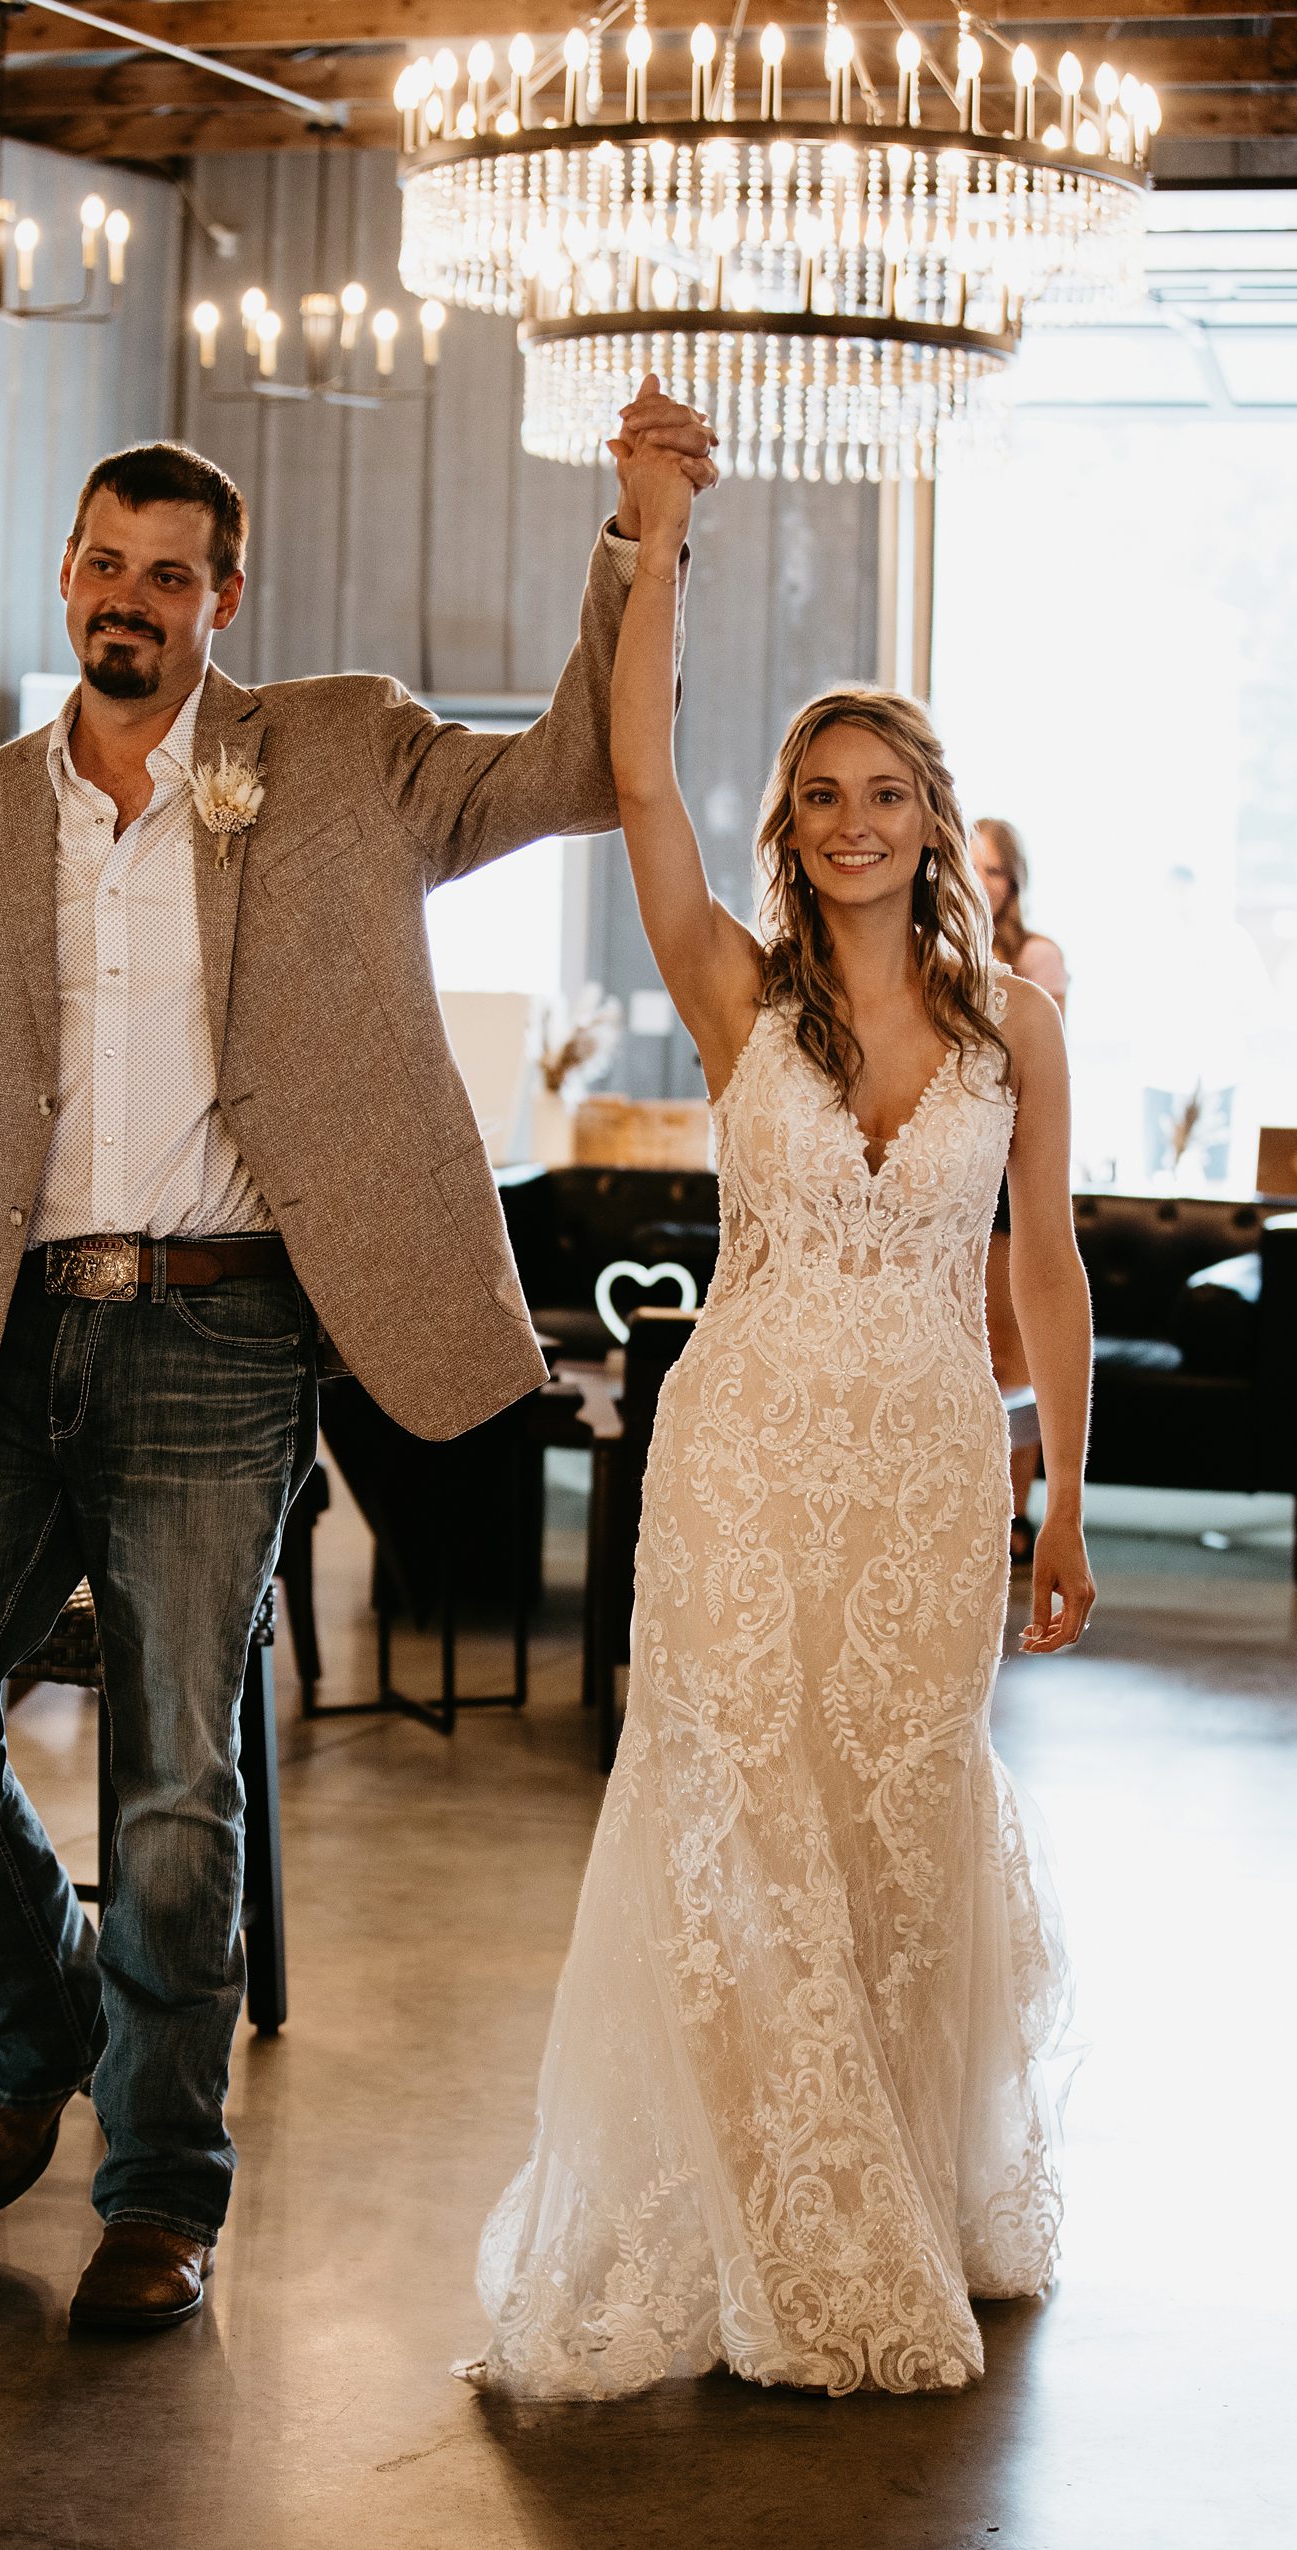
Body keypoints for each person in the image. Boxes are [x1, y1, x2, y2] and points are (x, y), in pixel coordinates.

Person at [0, 400, 719, 2336]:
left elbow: (568, 767)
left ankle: (156, 2188)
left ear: (228, 598)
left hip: (224, 1334)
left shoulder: (337, 753)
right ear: (66, 576)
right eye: (102, 564)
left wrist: (639, 537)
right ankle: (37, 2025)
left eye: (169, 574)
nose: (129, 600)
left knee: (171, 1780)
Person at [463, 440, 1095, 2401]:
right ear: (793, 824)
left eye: (881, 793)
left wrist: (1062, 1499)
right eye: (818, 795)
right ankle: (777, 2216)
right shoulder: (735, 996)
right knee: (733, 1818)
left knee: (891, 1823)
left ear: (935, 824)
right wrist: (655, 535)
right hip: (736, 1460)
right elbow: (638, 777)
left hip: (921, 1469)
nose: (847, 822)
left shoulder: (1016, 1035)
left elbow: (1045, 1269)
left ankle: (899, 2169)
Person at [970, 818, 1069, 1565]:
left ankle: (1014, 1514)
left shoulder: (1033, 958)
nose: (980, 882)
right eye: (968, 866)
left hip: (1008, 1168)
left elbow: (1023, 1054)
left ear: (1015, 881)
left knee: (1012, 1353)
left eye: (994, 871)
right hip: (954, 1166)